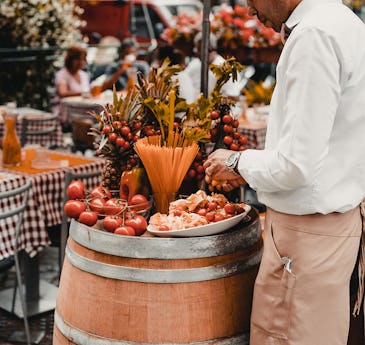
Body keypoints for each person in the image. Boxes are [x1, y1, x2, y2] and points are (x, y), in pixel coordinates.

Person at [203, 1, 365, 344]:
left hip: (306, 239)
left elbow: (296, 166)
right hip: (331, 228)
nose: (248, 10)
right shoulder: (341, 21)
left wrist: (236, 162)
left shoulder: (314, 36)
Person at [184, 32, 243, 101]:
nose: (197, 52)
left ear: (211, 48)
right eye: (197, 49)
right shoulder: (194, 64)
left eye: (200, 49)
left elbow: (233, 97)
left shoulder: (227, 69)